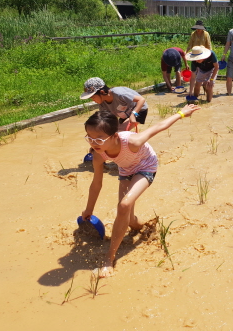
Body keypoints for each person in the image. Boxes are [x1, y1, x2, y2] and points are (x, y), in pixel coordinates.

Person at [81, 104, 201, 277]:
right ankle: (143, 226)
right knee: (129, 219)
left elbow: (159, 127)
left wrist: (182, 113)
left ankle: (109, 258)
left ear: (114, 136)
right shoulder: (98, 154)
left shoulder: (133, 142)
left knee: (124, 205)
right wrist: (89, 210)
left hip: (146, 166)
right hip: (126, 169)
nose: (94, 143)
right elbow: (96, 184)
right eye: (89, 138)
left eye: (99, 139)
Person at [80, 77, 148, 129]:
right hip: (124, 114)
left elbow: (141, 100)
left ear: (102, 92)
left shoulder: (120, 94)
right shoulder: (102, 104)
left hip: (139, 110)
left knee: (121, 131)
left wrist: (133, 114)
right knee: (113, 131)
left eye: (93, 97)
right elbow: (106, 117)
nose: (93, 100)